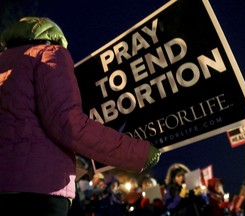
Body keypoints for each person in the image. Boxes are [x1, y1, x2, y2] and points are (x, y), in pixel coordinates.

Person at [0, 17, 161, 216]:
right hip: (40, 190)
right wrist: (138, 153)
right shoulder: (50, 53)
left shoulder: (4, 61)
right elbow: (68, 123)